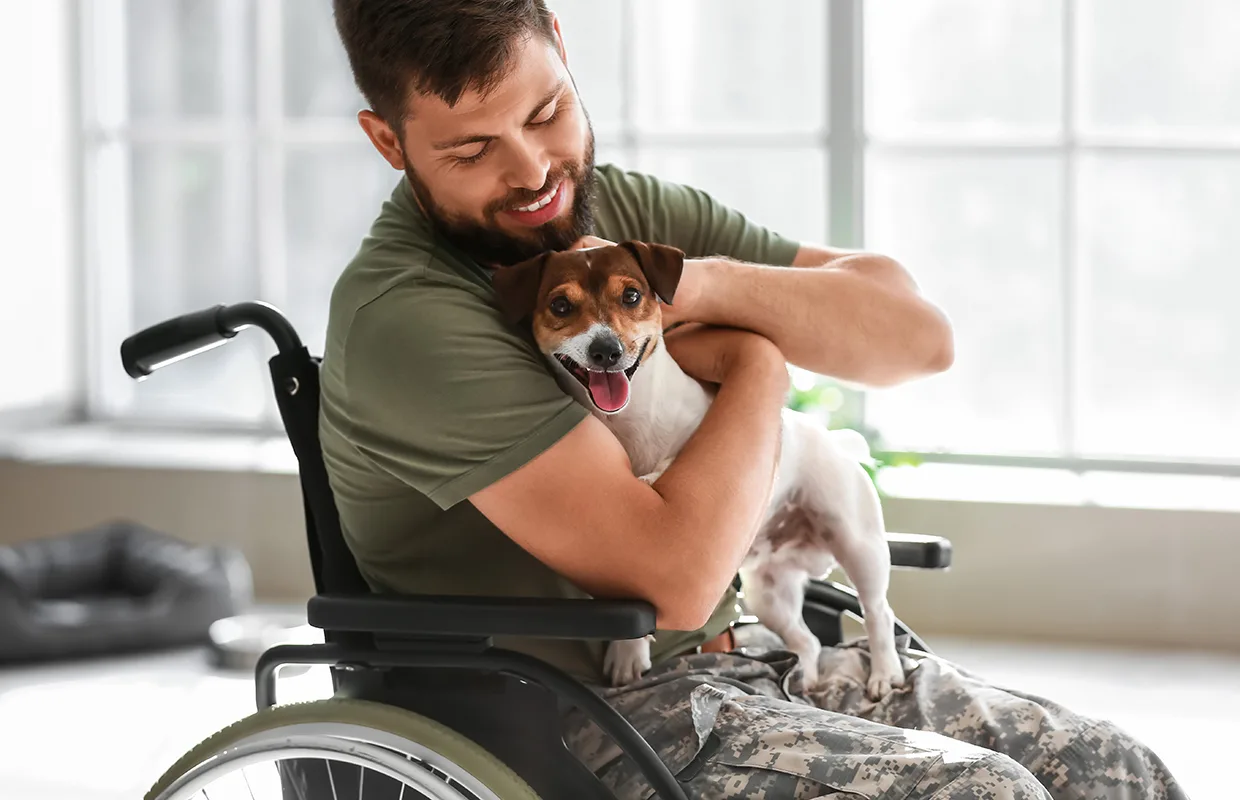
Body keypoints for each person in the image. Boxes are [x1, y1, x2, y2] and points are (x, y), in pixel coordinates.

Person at [319, 1, 1188, 798]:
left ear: (561, 43)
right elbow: (678, 584)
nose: (536, 171)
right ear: (388, 141)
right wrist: (759, 360)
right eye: (472, 151)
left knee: (1119, 773)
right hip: (568, 719)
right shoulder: (411, 318)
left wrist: (701, 285)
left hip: (747, 662)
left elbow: (915, 337)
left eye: (546, 113)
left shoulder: (610, 210)